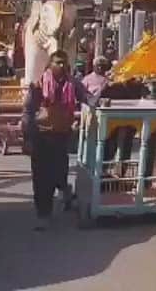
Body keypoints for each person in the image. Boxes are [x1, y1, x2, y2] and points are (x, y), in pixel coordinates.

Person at [23, 51, 95, 230]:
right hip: (41, 136)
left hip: (61, 136)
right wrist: (27, 137)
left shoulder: (73, 84)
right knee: (41, 179)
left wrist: (98, 101)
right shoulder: (39, 85)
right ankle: (43, 214)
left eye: (64, 63)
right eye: (58, 62)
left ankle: (65, 191)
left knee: (59, 173)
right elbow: (28, 112)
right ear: (50, 64)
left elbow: (87, 97)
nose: (61, 66)